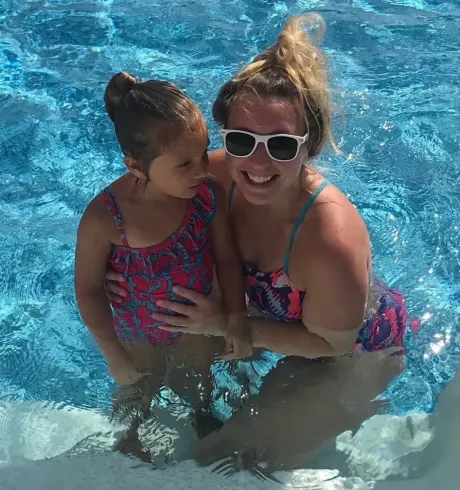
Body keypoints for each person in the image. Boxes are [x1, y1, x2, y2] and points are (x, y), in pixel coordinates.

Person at [105, 13, 417, 361]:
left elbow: (332, 344)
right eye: (241, 140)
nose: (257, 162)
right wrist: (116, 264)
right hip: (258, 320)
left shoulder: (330, 243)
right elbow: (130, 198)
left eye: (281, 145)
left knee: (262, 401)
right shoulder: (212, 175)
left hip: (353, 351)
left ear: (309, 146)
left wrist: (224, 324)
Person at [74, 72, 252, 455]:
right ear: (136, 167)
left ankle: (204, 419)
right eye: (184, 164)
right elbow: (88, 291)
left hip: (195, 325)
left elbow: (227, 258)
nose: (202, 169)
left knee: (199, 385)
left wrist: (236, 317)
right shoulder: (105, 218)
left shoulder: (208, 196)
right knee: (135, 391)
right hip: (137, 333)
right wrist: (112, 354)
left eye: (204, 153)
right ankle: (129, 439)